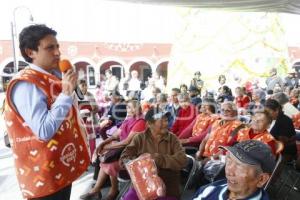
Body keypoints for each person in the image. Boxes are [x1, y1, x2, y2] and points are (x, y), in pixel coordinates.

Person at [4, 24, 90, 200]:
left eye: (57, 46)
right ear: (30, 52)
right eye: (50, 47)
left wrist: (67, 83)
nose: (58, 52)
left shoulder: (53, 76)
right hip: (43, 175)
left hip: (59, 165)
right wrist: (66, 94)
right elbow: (43, 130)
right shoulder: (26, 84)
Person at [80, 100, 146, 200]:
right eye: (128, 107)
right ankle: (97, 190)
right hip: (123, 150)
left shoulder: (140, 122)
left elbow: (127, 142)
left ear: (139, 109)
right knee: (105, 158)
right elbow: (116, 135)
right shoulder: (128, 119)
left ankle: (112, 190)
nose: (130, 110)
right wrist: (102, 144)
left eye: (133, 107)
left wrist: (106, 147)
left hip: (133, 152)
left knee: (109, 163)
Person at [120, 108, 187, 199]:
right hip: (142, 187)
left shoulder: (173, 139)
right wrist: (142, 163)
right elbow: (124, 158)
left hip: (168, 188)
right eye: (161, 121)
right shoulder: (139, 138)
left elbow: (182, 160)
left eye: (166, 120)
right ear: (149, 124)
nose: (166, 124)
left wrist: (157, 159)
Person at [193, 140, 276, 200]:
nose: (229, 171)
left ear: (261, 179)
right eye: (229, 160)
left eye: (240, 166)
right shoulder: (210, 190)